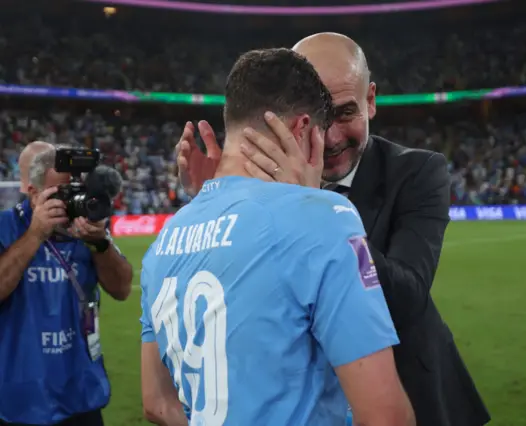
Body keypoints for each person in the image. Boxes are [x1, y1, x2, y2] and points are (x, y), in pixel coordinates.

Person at [176, 33, 491, 426]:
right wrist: (210, 200)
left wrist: (312, 206)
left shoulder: (417, 171)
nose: (331, 138)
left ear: (370, 100)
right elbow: (226, 293)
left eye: (344, 113)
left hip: (411, 396)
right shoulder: (263, 187)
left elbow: (408, 296)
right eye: (317, 120)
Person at [140, 48, 414, 426]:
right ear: (302, 129)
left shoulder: (165, 238)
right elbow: (387, 418)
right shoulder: (322, 218)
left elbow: (156, 403)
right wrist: (311, 200)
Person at [0, 145, 133, 426]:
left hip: (82, 394)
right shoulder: (6, 227)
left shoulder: (84, 228)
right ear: (33, 193)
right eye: (59, 194)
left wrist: (100, 244)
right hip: (21, 402)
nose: (70, 201)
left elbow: (122, 288)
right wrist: (36, 233)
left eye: (74, 191)